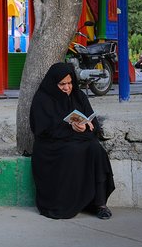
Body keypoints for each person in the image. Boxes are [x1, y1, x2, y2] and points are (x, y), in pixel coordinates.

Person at [30, 62, 115, 220]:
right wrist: (69, 128)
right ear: (53, 83)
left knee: (96, 150)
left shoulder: (78, 96)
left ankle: (100, 204)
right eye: (62, 84)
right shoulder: (42, 99)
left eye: (69, 83)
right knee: (73, 151)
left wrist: (87, 126)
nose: (67, 88)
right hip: (52, 147)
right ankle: (66, 202)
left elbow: (94, 124)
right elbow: (42, 130)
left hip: (79, 139)